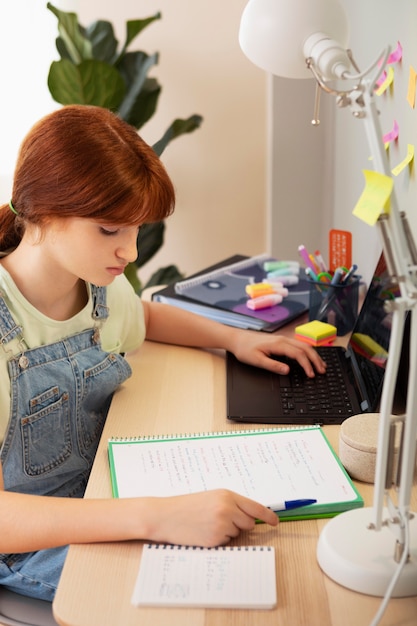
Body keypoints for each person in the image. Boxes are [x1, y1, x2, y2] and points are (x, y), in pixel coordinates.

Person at [0, 105, 326, 602]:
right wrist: (157, 514)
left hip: (105, 493)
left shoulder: (96, 291)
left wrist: (237, 339)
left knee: (271, 552)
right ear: (42, 210)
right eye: (110, 230)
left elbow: (147, 317)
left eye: (136, 230)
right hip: (29, 538)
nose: (129, 253)